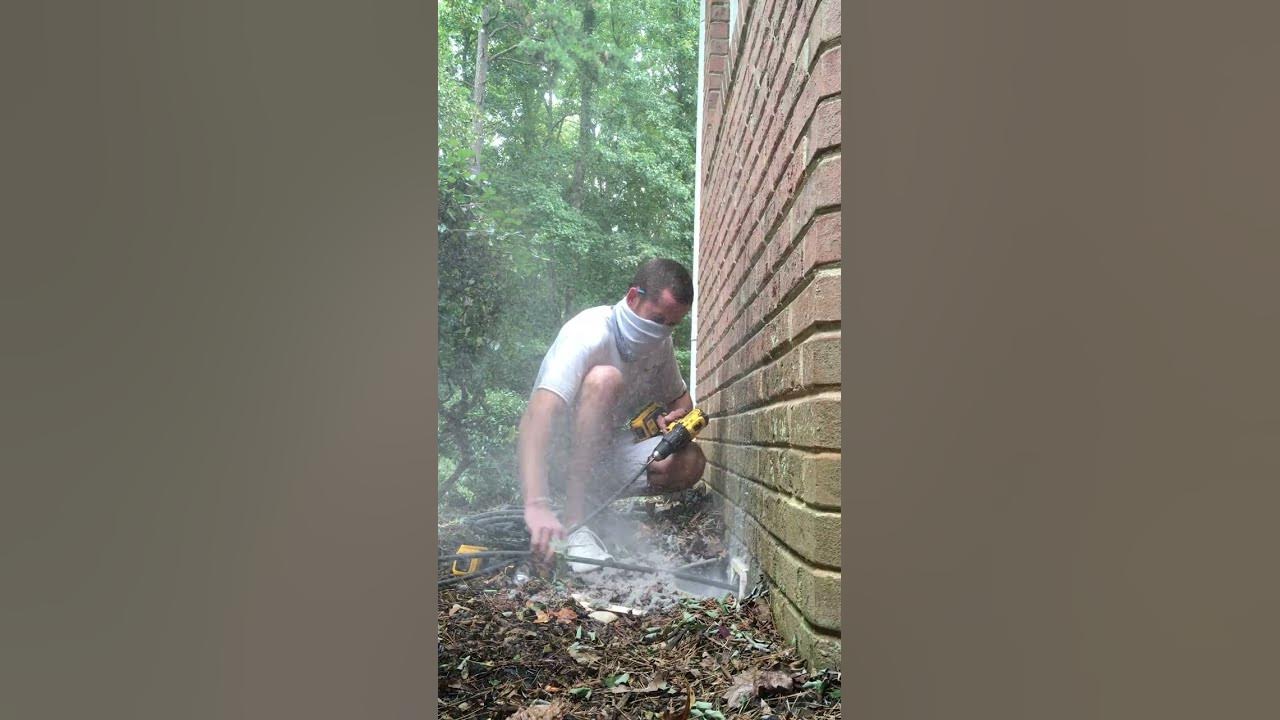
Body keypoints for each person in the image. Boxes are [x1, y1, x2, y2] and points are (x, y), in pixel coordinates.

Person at [517, 258, 707, 569]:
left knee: (689, 461)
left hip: (600, 460)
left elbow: (683, 403)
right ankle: (575, 521)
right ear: (634, 297)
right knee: (605, 379)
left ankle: (595, 508)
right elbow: (537, 417)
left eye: (673, 324)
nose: (663, 331)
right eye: (658, 319)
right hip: (557, 458)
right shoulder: (588, 332)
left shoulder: (660, 344)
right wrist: (536, 504)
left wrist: (675, 416)